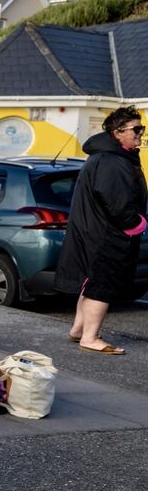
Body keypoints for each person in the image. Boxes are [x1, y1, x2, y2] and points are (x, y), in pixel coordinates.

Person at [55, 106, 147, 355]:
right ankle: (90, 337)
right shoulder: (112, 161)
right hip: (107, 235)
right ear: (118, 132)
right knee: (101, 285)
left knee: (92, 283)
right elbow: (116, 203)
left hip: (96, 232)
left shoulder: (107, 157)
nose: (141, 133)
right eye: (136, 129)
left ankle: (78, 330)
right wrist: (136, 224)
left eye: (142, 128)